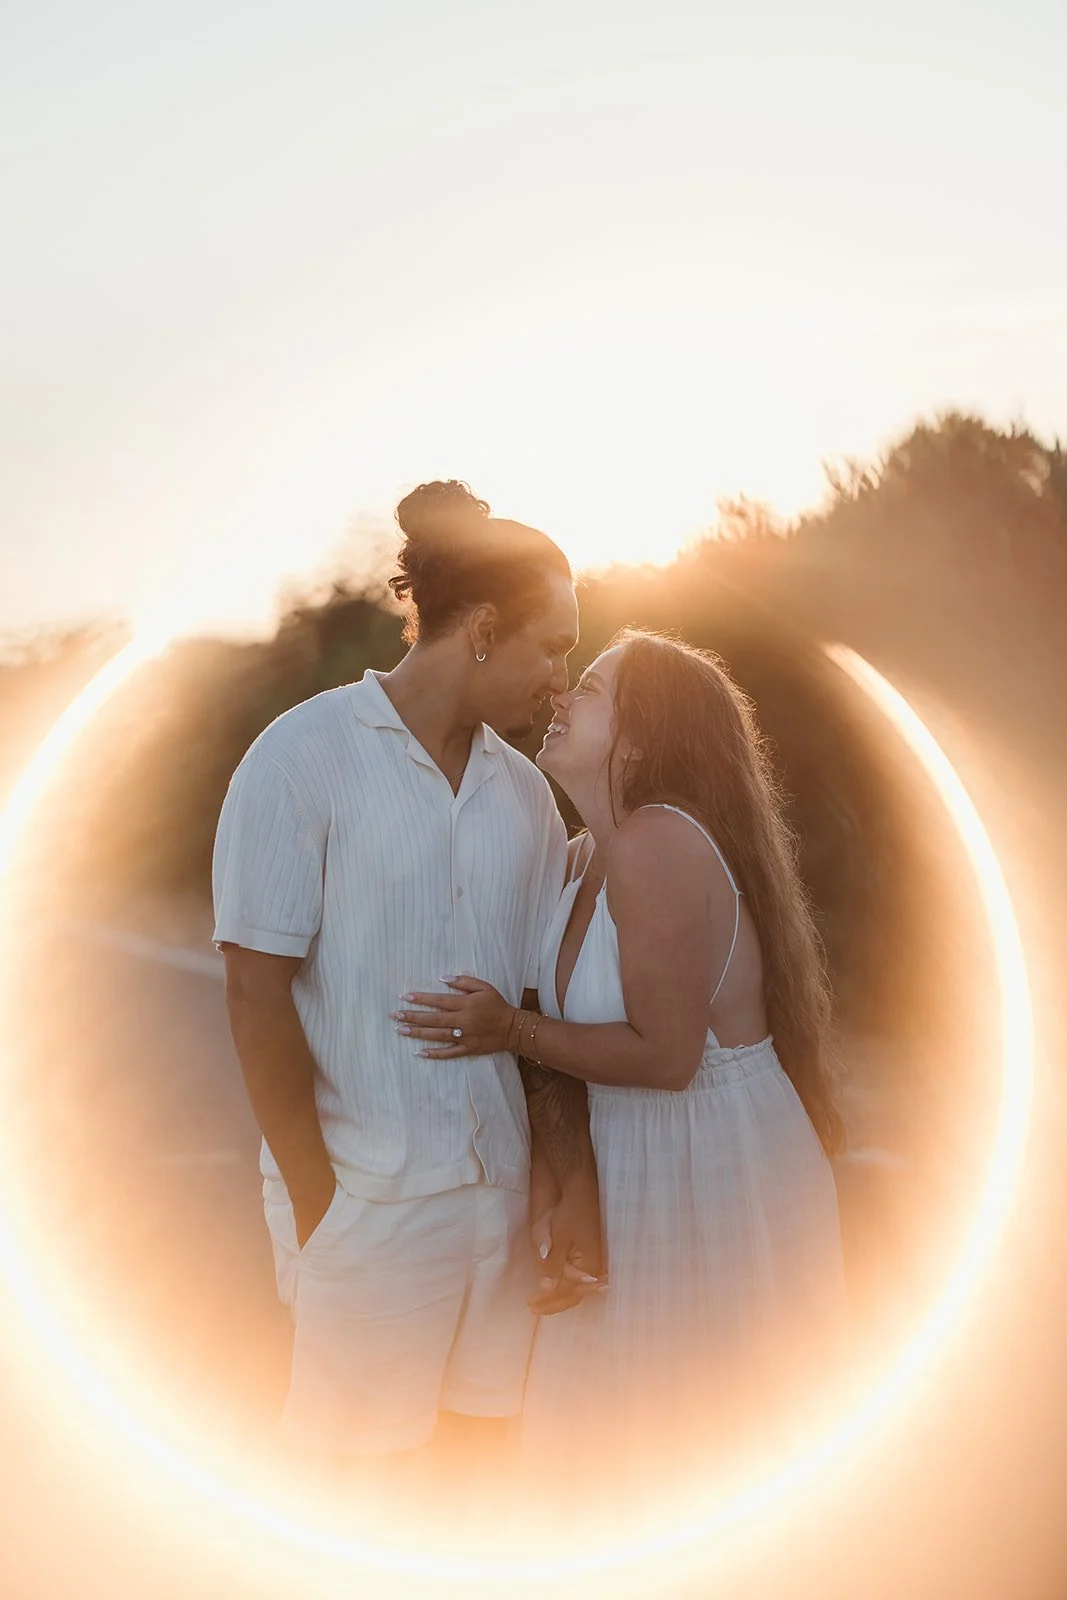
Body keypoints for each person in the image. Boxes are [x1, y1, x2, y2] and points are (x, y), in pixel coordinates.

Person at [394, 628, 847, 1500]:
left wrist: (507, 1028)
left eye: (591, 689)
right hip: (634, 1155)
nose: (560, 697)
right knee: (611, 1443)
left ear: (640, 736)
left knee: (700, 1448)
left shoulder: (659, 841)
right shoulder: (581, 858)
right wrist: (567, 1188)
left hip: (712, 1162)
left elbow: (667, 1057)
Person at [211, 479, 601, 1479]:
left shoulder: (527, 798)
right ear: (483, 630)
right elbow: (255, 994)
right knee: (351, 1503)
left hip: (501, 1217)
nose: (560, 679)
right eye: (552, 646)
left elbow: (532, 1008)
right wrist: (320, 1205)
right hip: (368, 1216)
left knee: (472, 1496)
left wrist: (563, 1180)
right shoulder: (299, 758)